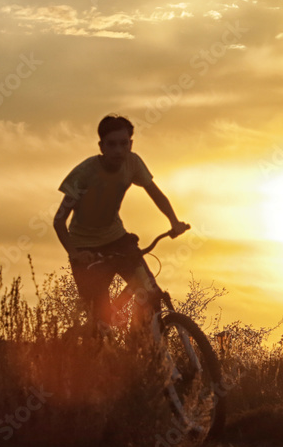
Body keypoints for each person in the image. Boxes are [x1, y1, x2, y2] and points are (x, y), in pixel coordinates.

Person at [53, 114, 189, 337]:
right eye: (111, 144)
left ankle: (141, 344)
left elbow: (156, 194)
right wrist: (75, 253)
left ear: (131, 144)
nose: (118, 150)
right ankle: (88, 344)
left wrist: (174, 222)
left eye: (123, 143)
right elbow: (59, 221)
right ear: (101, 147)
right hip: (85, 248)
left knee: (150, 292)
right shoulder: (84, 173)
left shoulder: (132, 163)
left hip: (117, 238)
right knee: (100, 321)